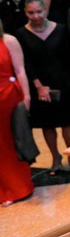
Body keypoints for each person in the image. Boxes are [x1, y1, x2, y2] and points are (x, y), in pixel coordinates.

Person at [15, 0, 70, 176]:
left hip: (63, 82)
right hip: (39, 85)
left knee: (67, 122)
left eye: (39, 12)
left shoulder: (61, 29)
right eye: (31, 12)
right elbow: (25, 64)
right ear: (26, 12)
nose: (35, 16)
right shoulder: (21, 34)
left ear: (46, 11)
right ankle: (55, 157)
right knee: (47, 124)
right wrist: (38, 86)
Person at [0, 21, 32, 206]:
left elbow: (20, 70)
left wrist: (26, 96)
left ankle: (17, 187)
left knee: (11, 142)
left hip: (8, 97)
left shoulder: (9, 40)